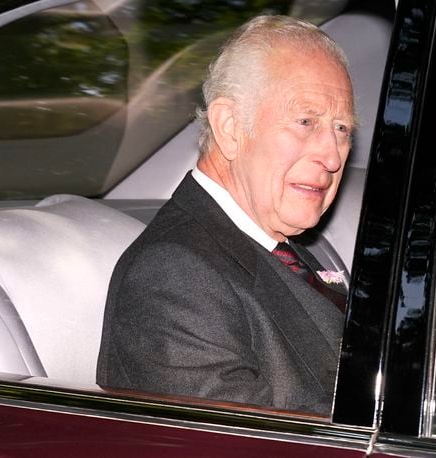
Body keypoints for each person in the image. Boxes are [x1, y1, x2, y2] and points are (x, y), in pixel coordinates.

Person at [96, 15, 354, 416]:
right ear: (231, 128)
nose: (333, 155)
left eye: (342, 129)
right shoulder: (173, 276)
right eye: (306, 122)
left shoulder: (282, 245)